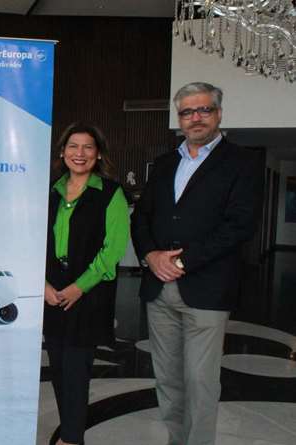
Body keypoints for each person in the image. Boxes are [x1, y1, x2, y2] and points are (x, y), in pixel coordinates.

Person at [131, 82, 261, 445]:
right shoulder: (165, 163)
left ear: (218, 113)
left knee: (201, 381)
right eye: (187, 112)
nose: (195, 117)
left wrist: (183, 261)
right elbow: (141, 218)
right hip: (159, 287)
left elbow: (239, 225)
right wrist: (150, 256)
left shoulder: (242, 163)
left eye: (204, 109)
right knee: (168, 380)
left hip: (207, 288)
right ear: (180, 118)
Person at [43, 122, 130, 445]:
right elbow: (31, 239)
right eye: (73, 146)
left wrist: (79, 287)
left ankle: (71, 438)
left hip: (87, 293)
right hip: (51, 291)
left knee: (77, 372)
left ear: (98, 154)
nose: (80, 154)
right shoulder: (48, 191)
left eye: (88, 147)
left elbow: (114, 250)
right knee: (59, 370)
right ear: (62, 152)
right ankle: (70, 433)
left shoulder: (111, 193)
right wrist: (44, 285)